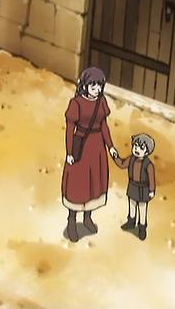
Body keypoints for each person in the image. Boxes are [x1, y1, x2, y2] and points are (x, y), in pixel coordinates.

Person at [61, 66, 120, 243]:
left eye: (99, 85)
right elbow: (70, 129)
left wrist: (110, 146)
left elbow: (104, 126)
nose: (97, 89)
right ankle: (72, 220)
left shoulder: (101, 102)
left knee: (94, 183)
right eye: (93, 85)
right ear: (85, 85)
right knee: (78, 184)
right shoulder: (76, 104)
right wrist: (69, 152)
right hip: (81, 147)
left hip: (97, 148)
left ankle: (87, 217)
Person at [113, 133, 157, 241]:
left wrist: (151, 190)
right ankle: (131, 222)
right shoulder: (131, 159)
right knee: (132, 205)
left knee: (142, 208)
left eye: (141, 148)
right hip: (133, 186)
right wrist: (115, 157)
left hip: (143, 189)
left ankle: (142, 228)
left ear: (147, 152)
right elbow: (122, 164)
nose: (137, 149)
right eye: (135, 146)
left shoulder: (148, 165)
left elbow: (151, 178)